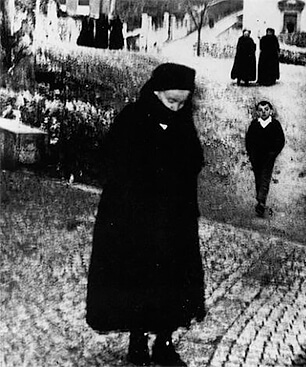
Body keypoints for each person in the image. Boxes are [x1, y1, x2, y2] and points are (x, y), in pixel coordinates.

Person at [86, 63, 206, 367]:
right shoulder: (133, 118)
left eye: (182, 102)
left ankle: (164, 341)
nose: (177, 108)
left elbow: (194, 160)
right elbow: (113, 161)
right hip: (136, 218)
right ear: (155, 92)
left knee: (171, 280)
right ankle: (137, 341)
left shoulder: (183, 122)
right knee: (138, 277)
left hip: (173, 219)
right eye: (171, 101)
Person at [245, 100, 285, 217]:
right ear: (257, 112)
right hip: (256, 157)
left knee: (265, 178)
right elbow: (249, 140)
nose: (264, 112)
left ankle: (261, 202)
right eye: (261, 110)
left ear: (271, 111)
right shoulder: (254, 125)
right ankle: (260, 200)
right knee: (258, 178)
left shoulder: (275, 124)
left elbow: (280, 141)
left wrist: (273, 153)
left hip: (268, 157)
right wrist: (251, 154)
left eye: (266, 109)